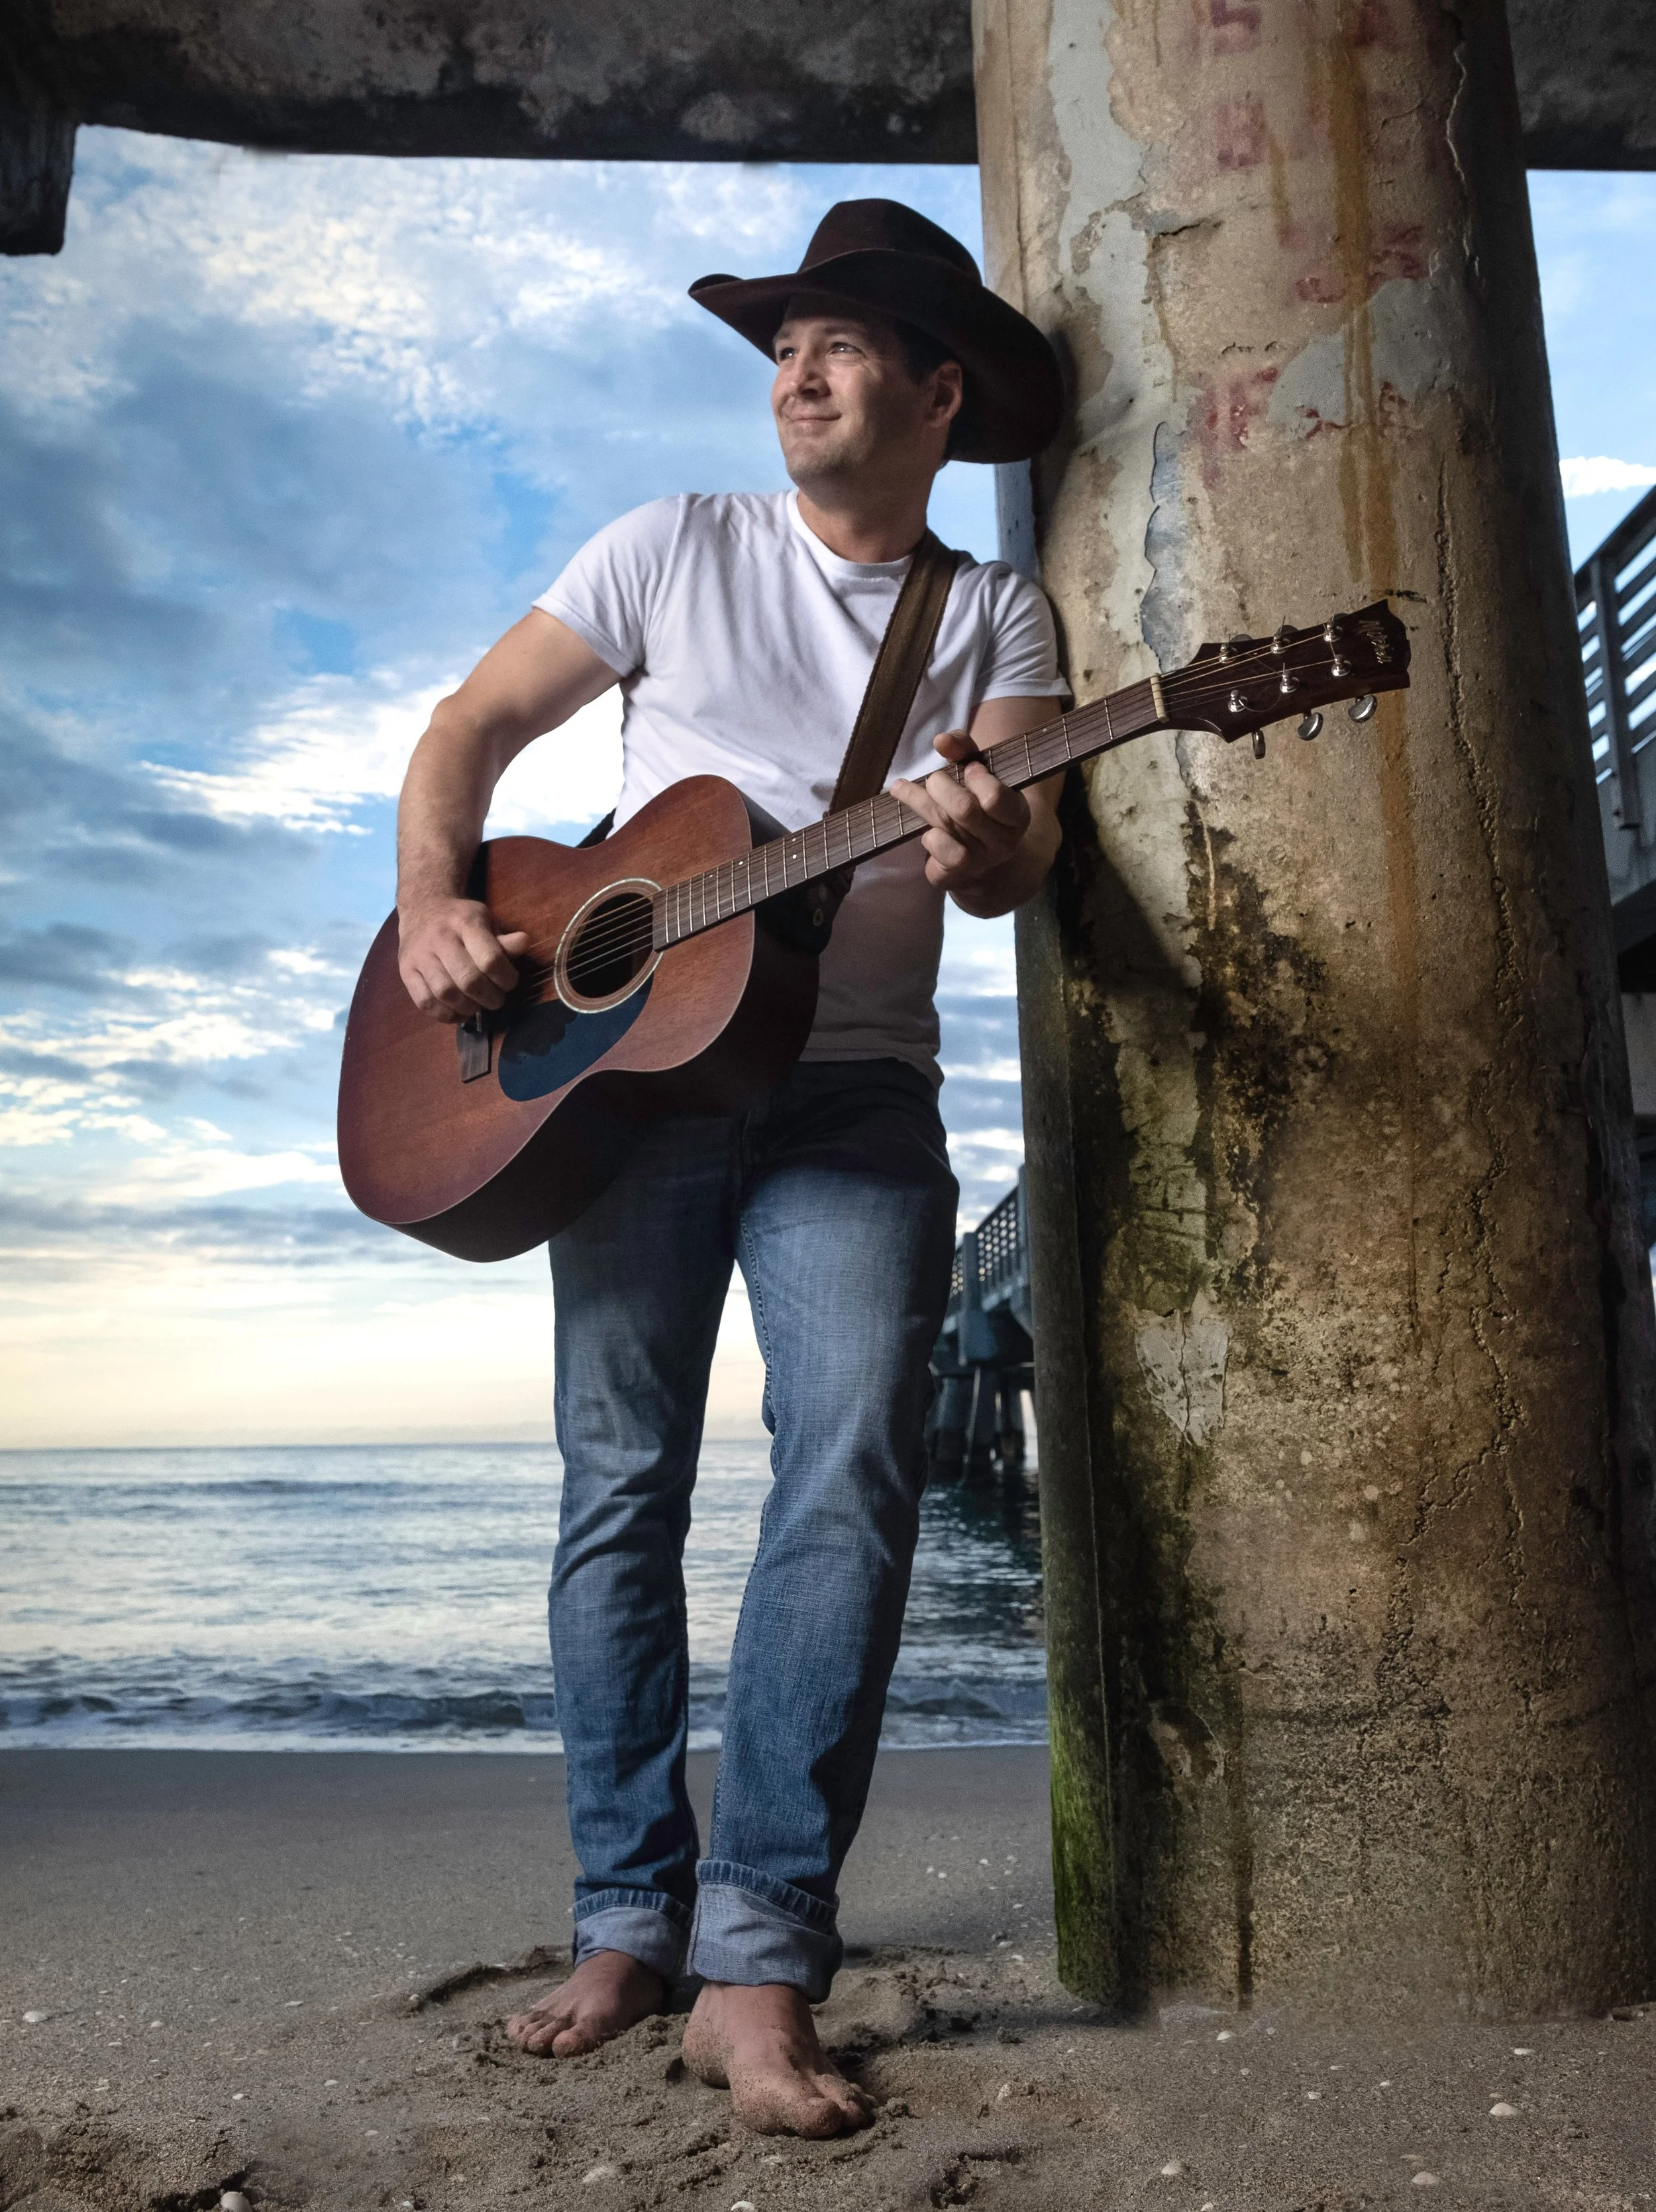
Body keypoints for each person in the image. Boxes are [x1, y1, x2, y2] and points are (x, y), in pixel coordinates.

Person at [392, 199, 1068, 2137]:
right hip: (621, 1085)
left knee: (847, 1480)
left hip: (856, 1095)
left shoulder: (992, 618)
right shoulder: (669, 547)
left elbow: (1016, 864)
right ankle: (622, 1918)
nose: (795, 366)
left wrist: (980, 844)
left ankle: (757, 1954)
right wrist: (440, 903)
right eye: (782, 340)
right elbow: (466, 732)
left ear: (938, 394)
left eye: (841, 341)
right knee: (622, 1488)